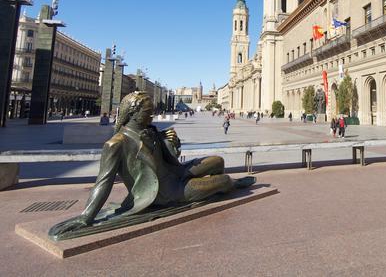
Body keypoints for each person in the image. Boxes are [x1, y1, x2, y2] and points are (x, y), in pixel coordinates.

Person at [48, 91, 254, 240]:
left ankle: (207, 183)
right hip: (167, 192)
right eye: (148, 112)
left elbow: (171, 159)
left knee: (218, 161)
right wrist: (86, 216)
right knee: (224, 179)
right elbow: (103, 183)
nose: (152, 116)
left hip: (177, 173)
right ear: (133, 113)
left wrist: (170, 143)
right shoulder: (116, 144)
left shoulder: (151, 131)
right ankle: (230, 184)